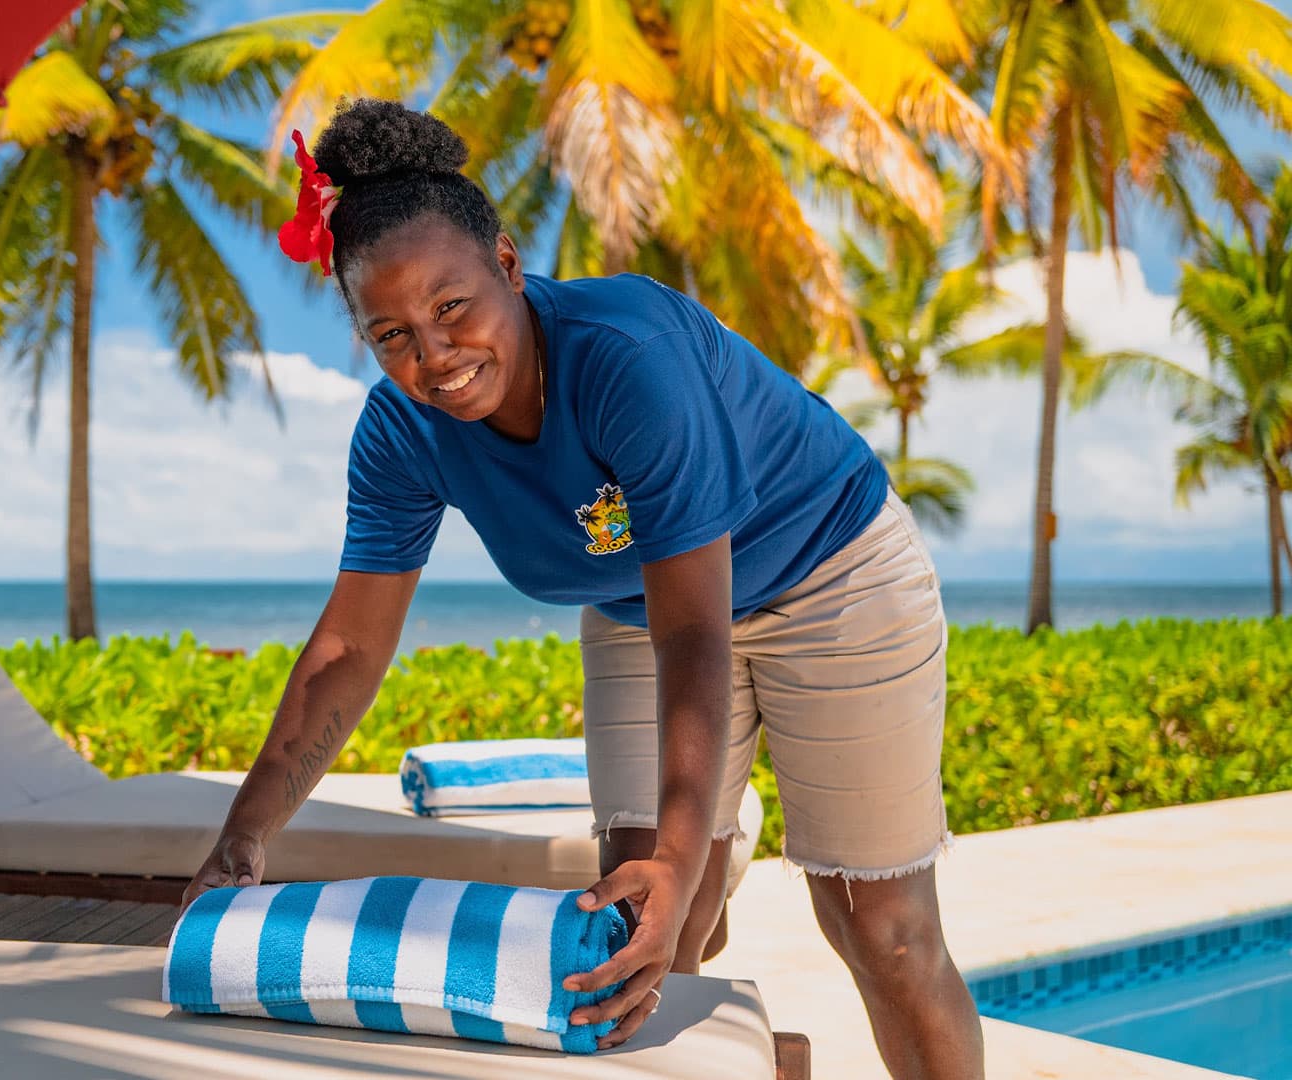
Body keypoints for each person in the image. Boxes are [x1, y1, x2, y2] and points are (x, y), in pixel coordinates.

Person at [181, 98, 982, 1077]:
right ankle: (709, 861)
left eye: (452, 308)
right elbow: (350, 647)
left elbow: (700, 636)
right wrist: (244, 836)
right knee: (635, 927)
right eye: (389, 334)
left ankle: (721, 852)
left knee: (881, 932)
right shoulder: (400, 435)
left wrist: (687, 868)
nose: (432, 357)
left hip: (831, 580)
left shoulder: (625, 358)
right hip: (642, 609)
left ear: (509, 267)